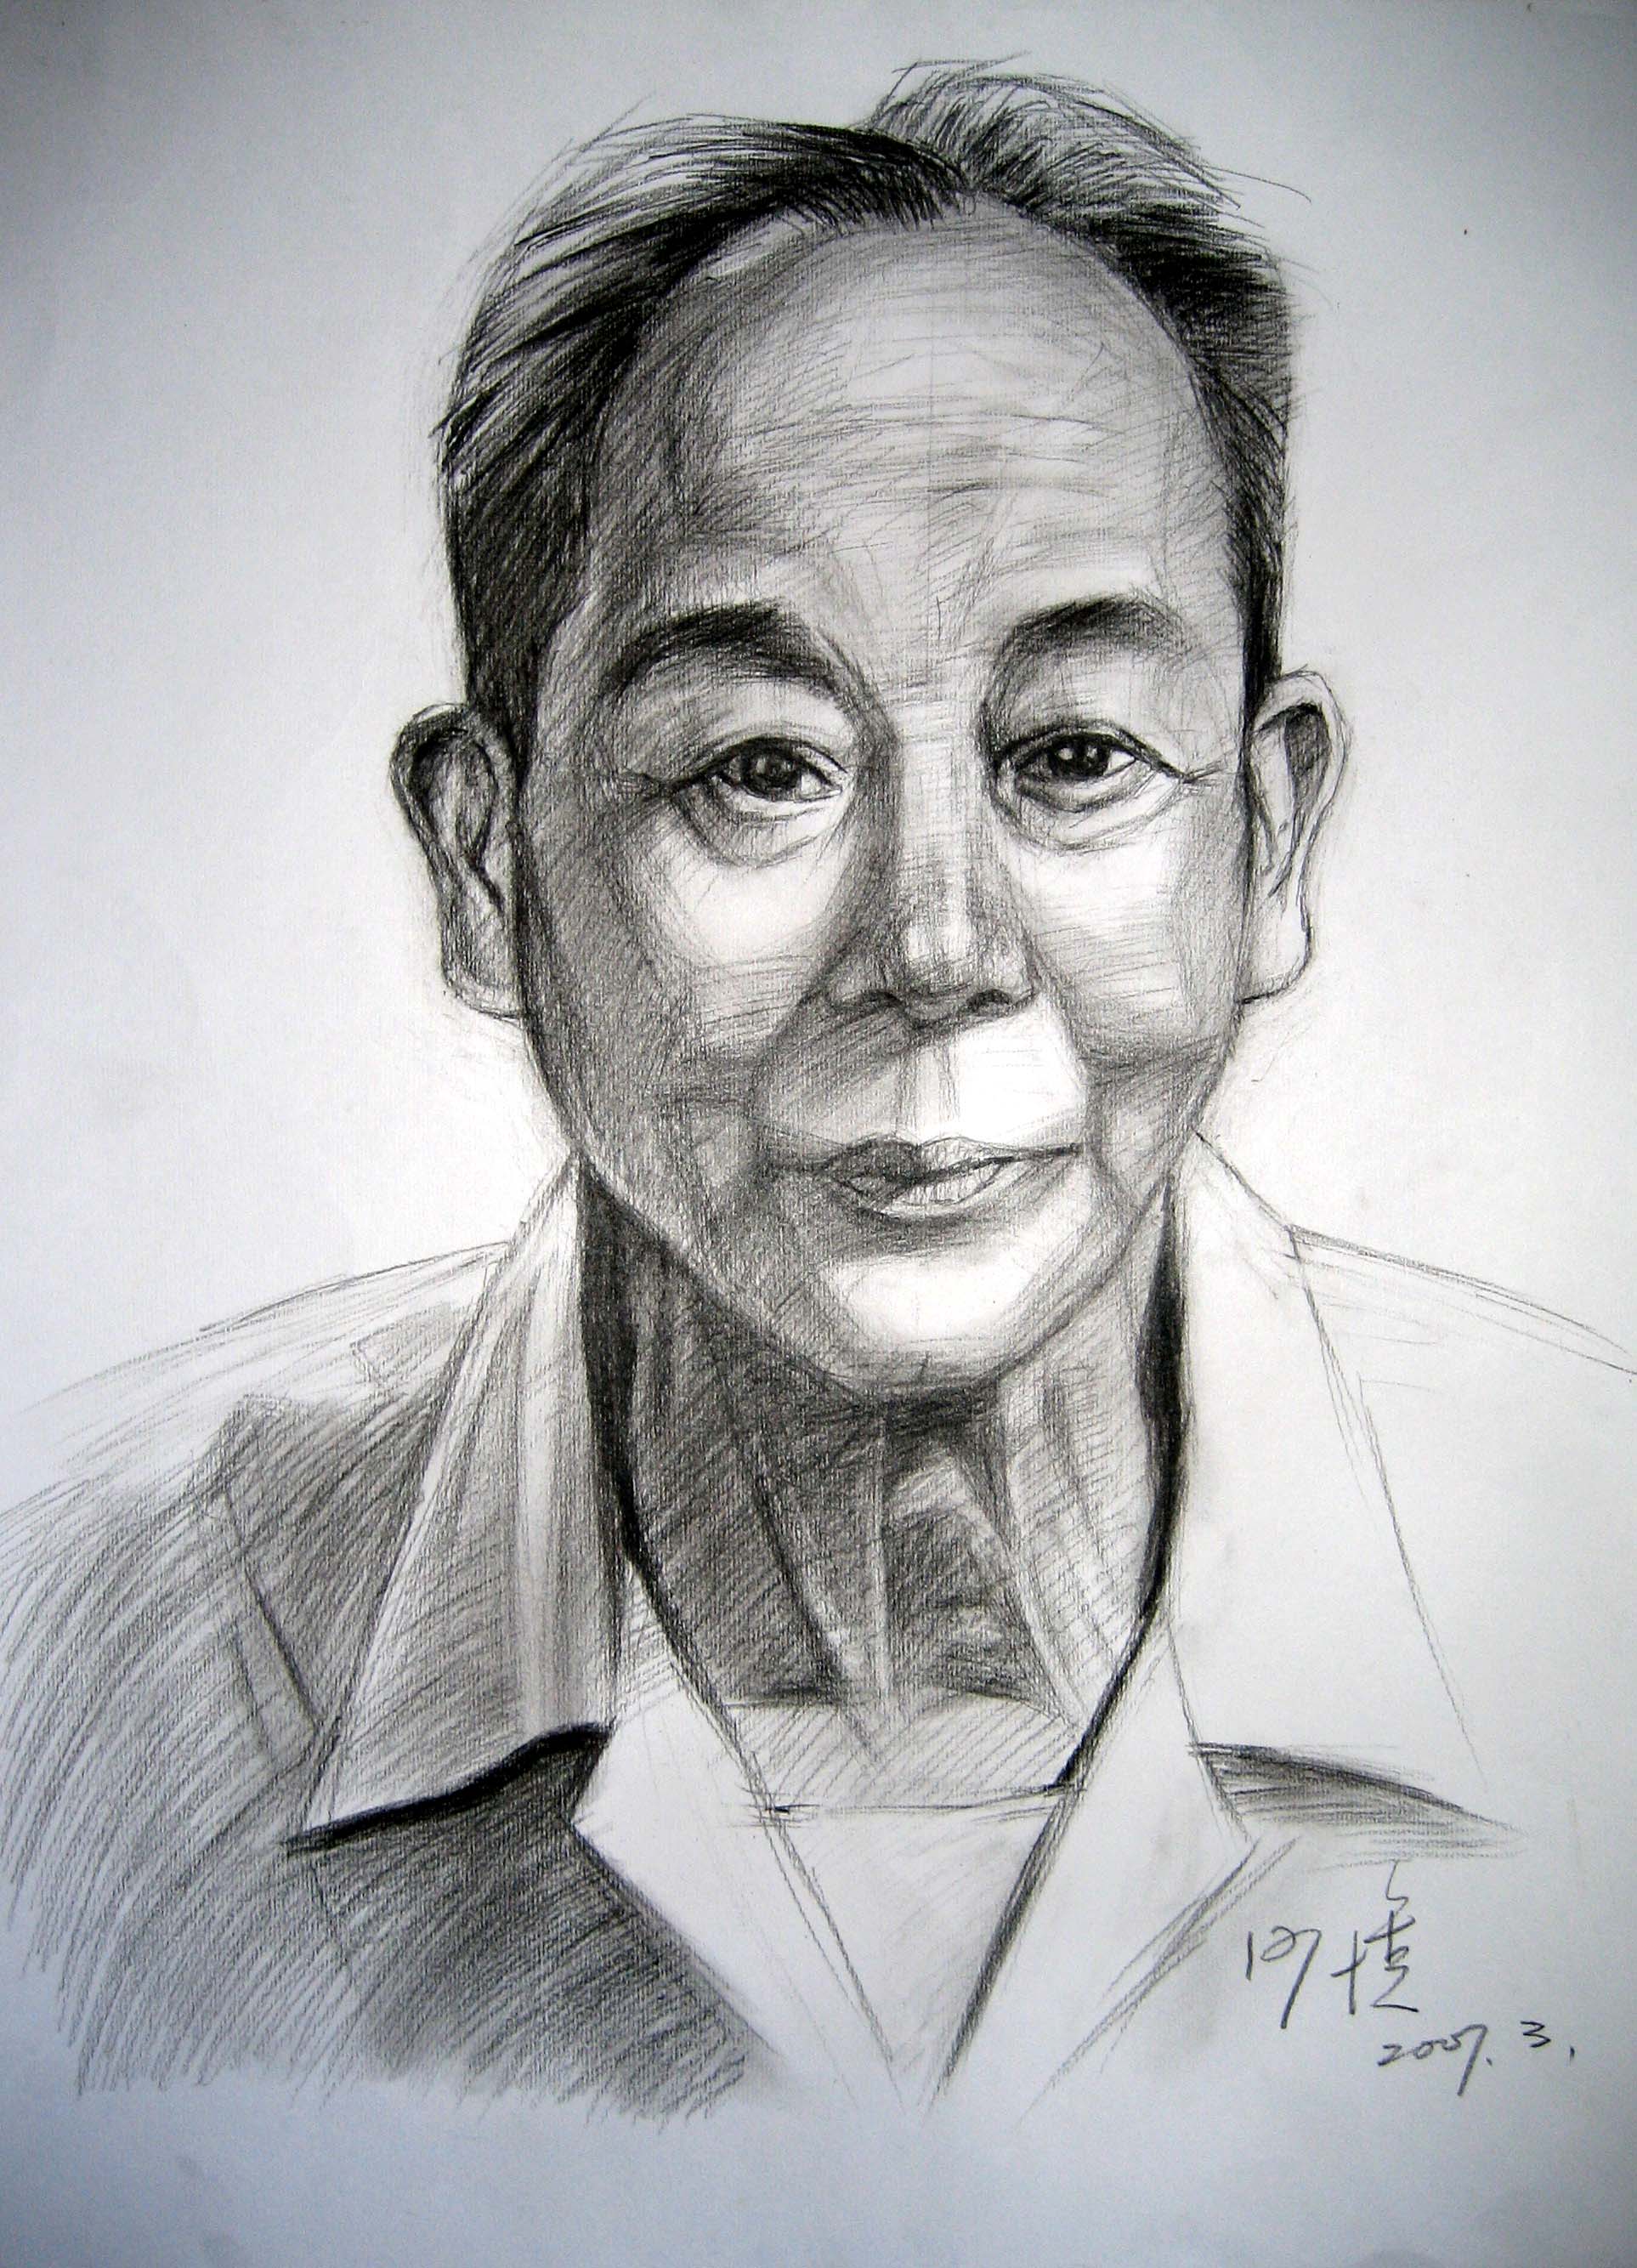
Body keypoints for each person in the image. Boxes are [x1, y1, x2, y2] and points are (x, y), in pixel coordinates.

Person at [2, 65, 1630, 2148]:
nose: (938, 941)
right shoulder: (74, 1657)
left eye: (1075, 755)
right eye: (757, 766)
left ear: (1272, 837)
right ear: (488, 865)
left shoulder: (1599, 1575)